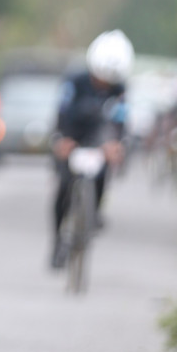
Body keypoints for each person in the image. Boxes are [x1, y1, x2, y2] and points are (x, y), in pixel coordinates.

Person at [49, 30, 132, 267]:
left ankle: (93, 211)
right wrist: (61, 139)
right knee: (63, 188)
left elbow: (120, 120)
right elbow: (61, 112)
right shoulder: (74, 81)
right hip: (71, 135)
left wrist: (116, 145)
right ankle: (57, 241)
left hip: (98, 140)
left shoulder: (120, 90)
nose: (103, 83)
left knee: (103, 172)